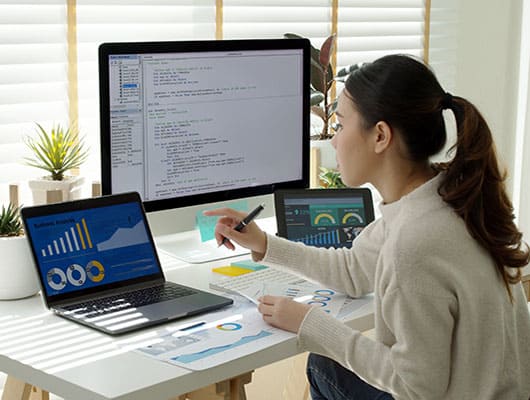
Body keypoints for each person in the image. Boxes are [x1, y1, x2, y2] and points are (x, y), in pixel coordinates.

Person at [204, 54, 530, 399]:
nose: (333, 140)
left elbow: (415, 386)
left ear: (380, 136)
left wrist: (311, 324)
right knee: (325, 364)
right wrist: (263, 243)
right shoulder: (442, 196)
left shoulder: (415, 243)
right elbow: (354, 270)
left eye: (341, 125)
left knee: (322, 363)